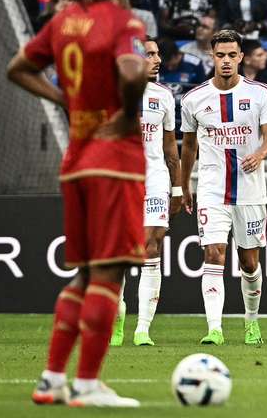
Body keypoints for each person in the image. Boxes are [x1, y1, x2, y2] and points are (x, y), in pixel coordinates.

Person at [7, 0, 148, 407]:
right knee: (110, 275)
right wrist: (129, 117)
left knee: (84, 276)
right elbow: (132, 72)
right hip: (117, 164)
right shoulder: (122, 21)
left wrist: (63, 98)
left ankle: (51, 379)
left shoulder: (65, 21)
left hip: (78, 160)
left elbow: (17, 68)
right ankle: (87, 383)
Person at [179, 29, 267, 346]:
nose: (225, 61)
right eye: (219, 55)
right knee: (213, 253)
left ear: (240, 57)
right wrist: (184, 186)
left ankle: (251, 323)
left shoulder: (261, 93)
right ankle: (214, 328)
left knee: (250, 262)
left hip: (250, 190)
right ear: (212, 56)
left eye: (231, 55)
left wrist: (260, 154)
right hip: (212, 189)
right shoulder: (193, 99)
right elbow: (188, 148)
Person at [109, 39, 180, 348]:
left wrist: (177, 187)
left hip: (154, 178)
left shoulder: (164, 97)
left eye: (157, 54)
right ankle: (118, 318)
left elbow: (169, 147)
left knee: (151, 246)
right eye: (149, 54)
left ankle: (143, 329)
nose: (157, 59)